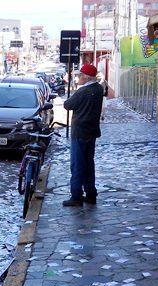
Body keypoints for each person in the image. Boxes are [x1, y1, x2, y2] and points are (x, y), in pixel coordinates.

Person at [62, 63, 105, 207]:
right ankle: (91, 193)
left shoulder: (82, 92)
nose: (77, 78)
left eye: (79, 75)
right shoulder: (98, 89)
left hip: (79, 131)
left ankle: (76, 196)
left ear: (86, 77)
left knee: (77, 165)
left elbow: (68, 105)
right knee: (88, 163)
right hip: (92, 131)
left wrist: (76, 90)